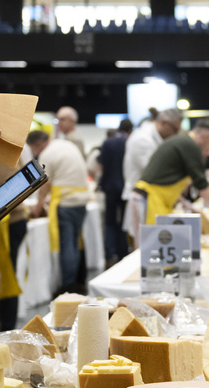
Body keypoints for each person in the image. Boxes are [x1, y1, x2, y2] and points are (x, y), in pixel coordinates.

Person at [27, 129, 92, 296]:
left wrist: (38, 206)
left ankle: (68, 287)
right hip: (81, 200)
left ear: (38, 144)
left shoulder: (47, 154)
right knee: (76, 242)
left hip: (66, 203)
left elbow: (44, 185)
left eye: (33, 149)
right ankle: (78, 282)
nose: (34, 153)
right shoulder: (65, 144)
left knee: (67, 245)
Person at [134, 118, 209, 224]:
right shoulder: (190, 145)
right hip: (150, 200)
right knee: (152, 239)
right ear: (206, 136)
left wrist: (188, 205)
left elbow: (167, 182)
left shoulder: (182, 141)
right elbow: (203, 188)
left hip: (152, 199)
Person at [123, 108, 181, 247]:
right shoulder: (142, 139)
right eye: (175, 129)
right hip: (143, 199)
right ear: (164, 123)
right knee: (143, 248)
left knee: (152, 245)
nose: (175, 134)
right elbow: (157, 173)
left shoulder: (152, 139)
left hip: (152, 199)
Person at [97, 118, 133, 263]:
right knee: (124, 221)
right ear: (131, 130)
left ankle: (109, 253)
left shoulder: (108, 142)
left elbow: (101, 164)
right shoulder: (130, 143)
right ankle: (123, 251)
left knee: (110, 221)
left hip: (109, 187)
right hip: (125, 187)